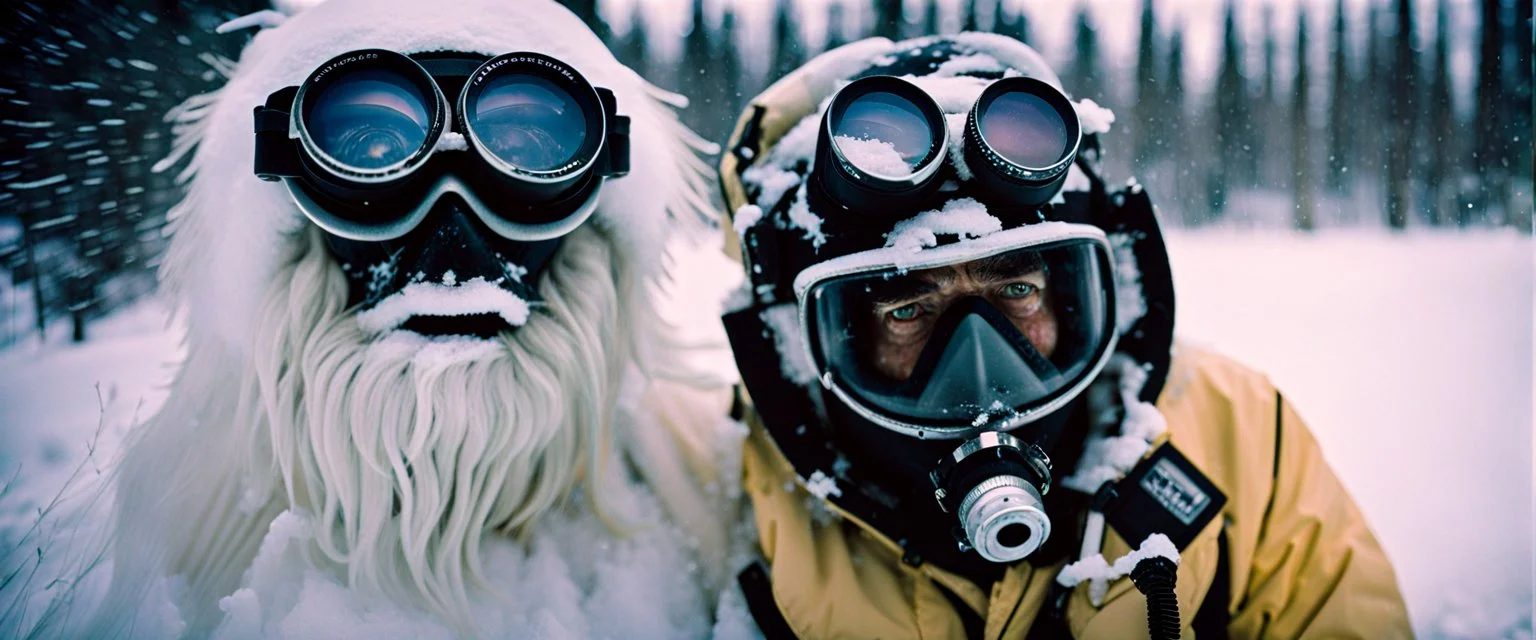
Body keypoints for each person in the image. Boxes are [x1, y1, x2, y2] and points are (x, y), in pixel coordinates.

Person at [58, 0, 745, 636]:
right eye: (369, 147)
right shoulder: (698, 513)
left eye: (528, 148)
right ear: (285, 197)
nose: (454, 231)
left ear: (596, 195)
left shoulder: (711, 490)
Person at [717, 33, 1412, 639]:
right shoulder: (720, 480)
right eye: (907, 311)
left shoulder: (1238, 435)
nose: (977, 361)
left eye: (1016, 291)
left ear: (1081, 299)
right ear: (812, 340)